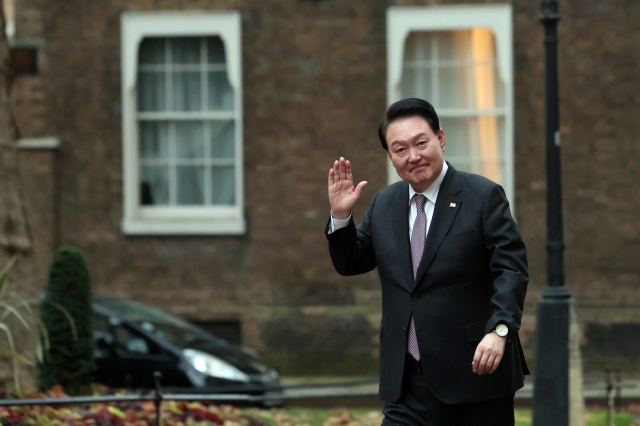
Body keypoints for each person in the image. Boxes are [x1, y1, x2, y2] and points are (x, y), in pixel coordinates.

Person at [325, 98, 529, 425]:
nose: (414, 156)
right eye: (400, 149)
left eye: (421, 143)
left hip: (475, 376)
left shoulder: (483, 196)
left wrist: (500, 330)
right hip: (407, 383)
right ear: (391, 158)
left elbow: (511, 270)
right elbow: (352, 262)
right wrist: (340, 215)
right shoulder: (384, 204)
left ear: (441, 140)